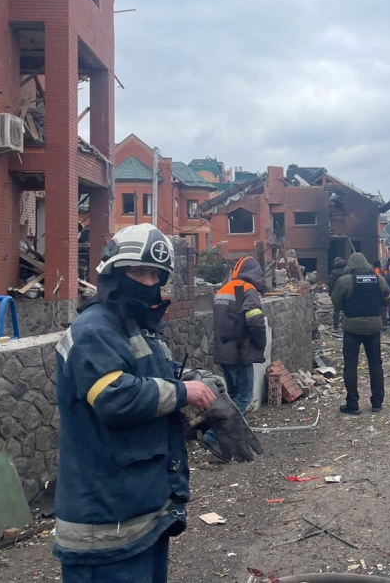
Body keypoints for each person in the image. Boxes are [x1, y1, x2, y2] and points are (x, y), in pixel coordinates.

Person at [53, 223, 261, 583]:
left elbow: (156, 377)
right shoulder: (95, 331)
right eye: (138, 271)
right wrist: (183, 394)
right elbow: (113, 397)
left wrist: (192, 384)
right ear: (114, 272)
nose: (148, 283)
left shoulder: (137, 328)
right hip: (104, 526)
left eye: (155, 274)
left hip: (141, 515)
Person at [206, 256, 267, 457]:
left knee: (231, 398)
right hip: (240, 353)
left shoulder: (223, 290)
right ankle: (212, 436)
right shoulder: (248, 291)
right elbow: (254, 320)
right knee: (244, 397)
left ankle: (224, 440)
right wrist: (260, 344)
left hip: (223, 352)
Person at [331, 252, 390, 414]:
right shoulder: (379, 279)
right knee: (375, 364)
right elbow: (388, 298)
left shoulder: (344, 281)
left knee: (350, 366)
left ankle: (352, 403)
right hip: (373, 326)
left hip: (351, 327)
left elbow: (336, 303)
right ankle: (377, 402)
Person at [327, 257, 347, 329]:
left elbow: (331, 283)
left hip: (338, 292)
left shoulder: (334, 272)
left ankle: (336, 326)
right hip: (347, 291)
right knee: (347, 309)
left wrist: (331, 293)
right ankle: (346, 325)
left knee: (337, 309)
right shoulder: (347, 270)